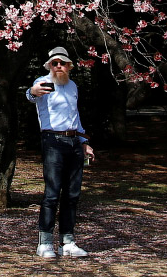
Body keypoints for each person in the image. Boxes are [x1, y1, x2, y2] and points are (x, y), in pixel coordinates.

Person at [26, 46, 95, 258]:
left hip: (74, 141)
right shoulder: (43, 82)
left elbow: (75, 115)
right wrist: (31, 92)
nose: (58, 67)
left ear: (69, 66)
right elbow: (31, 94)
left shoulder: (73, 86)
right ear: (49, 66)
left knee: (72, 194)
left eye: (62, 63)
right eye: (55, 63)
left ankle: (68, 241)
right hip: (53, 140)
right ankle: (45, 242)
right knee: (52, 193)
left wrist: (84, 141)